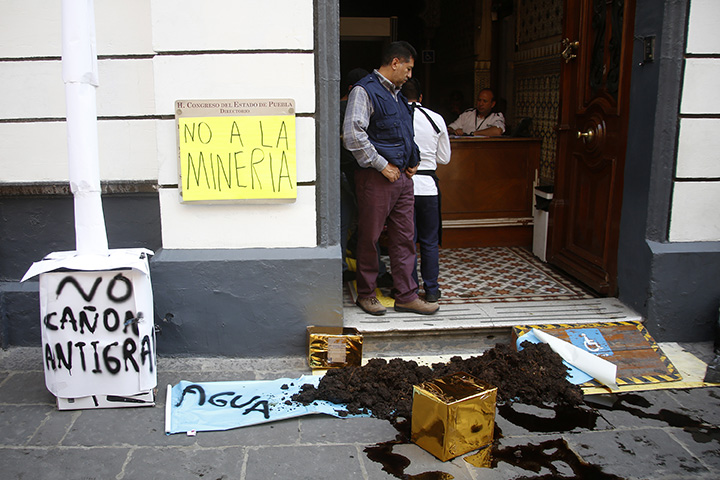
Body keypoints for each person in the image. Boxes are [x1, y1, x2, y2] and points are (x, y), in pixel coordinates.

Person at [343, 41, 439, 316]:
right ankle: (366, 294)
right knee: (370, 238)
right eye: (408, 68)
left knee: (404, 238)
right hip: (376, 178)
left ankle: (406, 295)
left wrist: (414, 160)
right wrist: (382, 165)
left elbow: (406, 134)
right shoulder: (365, 90)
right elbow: (353, 135)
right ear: (394, 62)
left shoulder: (398, 95)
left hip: (402, 179)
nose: (410, 75)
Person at [340, 68, 392, 287]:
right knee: (369, 223)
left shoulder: (332, 106)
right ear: (353, 89)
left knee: (342, 223)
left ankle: (341, 267)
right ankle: (377, 272)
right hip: (357, 172)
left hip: (338, 172)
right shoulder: (354, 106)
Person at [401, 77, 451, 303]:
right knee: (429, 242)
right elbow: (445, 158)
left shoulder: (398, 118)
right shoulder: (436, 119)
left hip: (404, 188)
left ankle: (409, 290)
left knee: (407, 242)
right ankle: (432, 290)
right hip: (429, 188)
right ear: (421, 97)